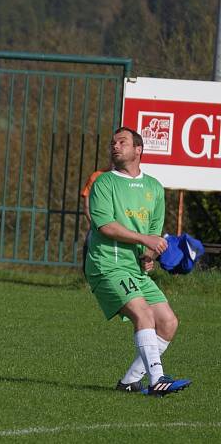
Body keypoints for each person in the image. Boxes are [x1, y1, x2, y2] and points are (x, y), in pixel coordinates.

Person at [85, 126, 191, 396]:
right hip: (106, 265)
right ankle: (157, 380)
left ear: (138, 149)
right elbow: (104, 225)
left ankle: (129, 382)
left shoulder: (154, 188)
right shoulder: (104, 183)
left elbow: (154, 233)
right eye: (113, 143)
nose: (115, 146)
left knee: (168, 322)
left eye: (122, 142)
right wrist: (145, 241)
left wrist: (150, 254)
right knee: (143, 314)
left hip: (134, 269)